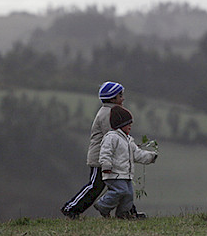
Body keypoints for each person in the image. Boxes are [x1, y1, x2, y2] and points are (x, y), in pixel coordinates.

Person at [61, 81, 145, 219]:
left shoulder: (111, 112)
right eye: (120, 96)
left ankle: (130, 212)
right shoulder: (108, 114)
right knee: (95, 187)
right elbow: (114, 137)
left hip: (110, 158)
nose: (123, 98)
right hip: (101, 159)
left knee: (122, 185)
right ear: (113, 99)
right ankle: (71, 208)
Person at [93, 105, 158, 219]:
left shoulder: (128, 140)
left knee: (129, 195)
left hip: (125, 174)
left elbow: (137, 154)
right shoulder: (111, 137)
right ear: (120, 124)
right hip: (113, 173)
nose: (130, 126)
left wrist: (151, 157)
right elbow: (105, 152)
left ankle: (123, 214)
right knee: (120, 191)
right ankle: (103, 205)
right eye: (128, 124)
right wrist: (106, 165)